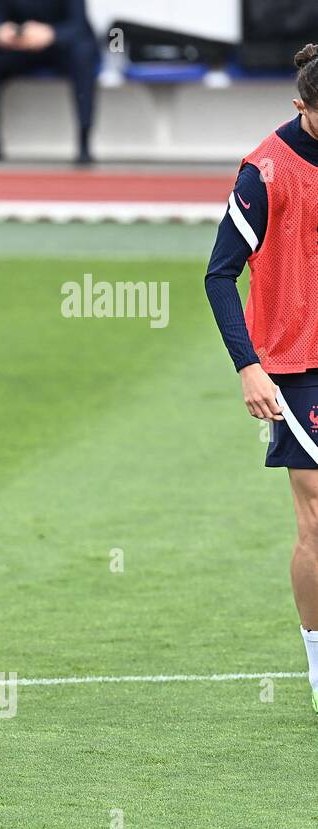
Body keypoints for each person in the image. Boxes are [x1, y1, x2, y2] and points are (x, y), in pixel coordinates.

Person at [205, 44, 318, 714]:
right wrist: (250, 366)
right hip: (296, 366)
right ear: (301, 107)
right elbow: (219, 273)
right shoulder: (266, 173)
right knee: (316, 517)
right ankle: (316, 664)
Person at [0, 0, 99, 164]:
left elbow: (79, 26)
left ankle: (84, 141)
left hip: (61, 50)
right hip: (20, 50)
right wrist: (0, 31)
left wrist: (51, 34)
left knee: (83, 55)